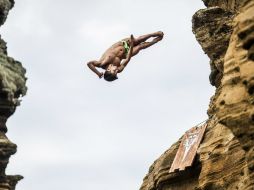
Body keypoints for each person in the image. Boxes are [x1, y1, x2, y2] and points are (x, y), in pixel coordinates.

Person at [87, 31, 164, 81]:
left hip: (122, 44)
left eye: (114, 71)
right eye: (116, 72)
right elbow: (127, 59)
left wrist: (98, 73)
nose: (117, 70)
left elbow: (89, 64)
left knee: (137, 41)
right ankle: (155, 41)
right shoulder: (119, 69)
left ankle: (153, 34)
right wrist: (131, 47)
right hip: (127, 53)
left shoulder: (102, 64)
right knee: (140, 47)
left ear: (108, 70)